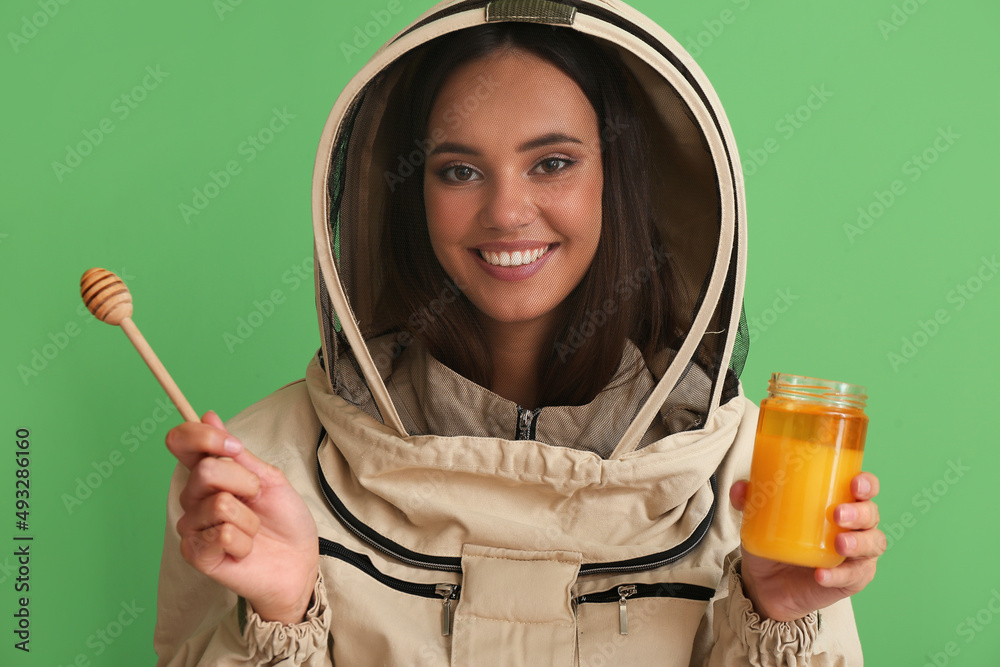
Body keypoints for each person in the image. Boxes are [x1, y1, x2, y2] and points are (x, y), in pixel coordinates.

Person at [154, 2, 885, 665]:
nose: (507, 211)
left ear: (617, 177)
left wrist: (776, 617)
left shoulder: (753, 478)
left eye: (553, 163)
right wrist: (280, 614)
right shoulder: (264, 474)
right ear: (413, 196)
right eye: (461, 169)